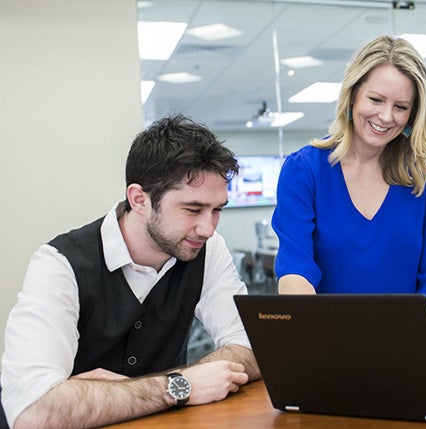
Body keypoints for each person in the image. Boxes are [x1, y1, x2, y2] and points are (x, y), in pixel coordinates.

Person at [1, 115, 261, 429]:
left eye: (217, 209)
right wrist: (181, 385)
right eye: (192, 209)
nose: (207, 228)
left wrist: (109, 395)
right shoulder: (59, 264)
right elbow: (34, 411)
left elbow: (253, 346)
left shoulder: (208, 249)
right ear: (139, 199)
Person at [271, 35, 426, 325]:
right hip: (323, 339)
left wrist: (404, 346)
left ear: (413, 114)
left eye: (401, 107)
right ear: (352, 94)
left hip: (405, 343)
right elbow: (295, 270)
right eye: (376, 99)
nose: (385, 116)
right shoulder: (305, 169)